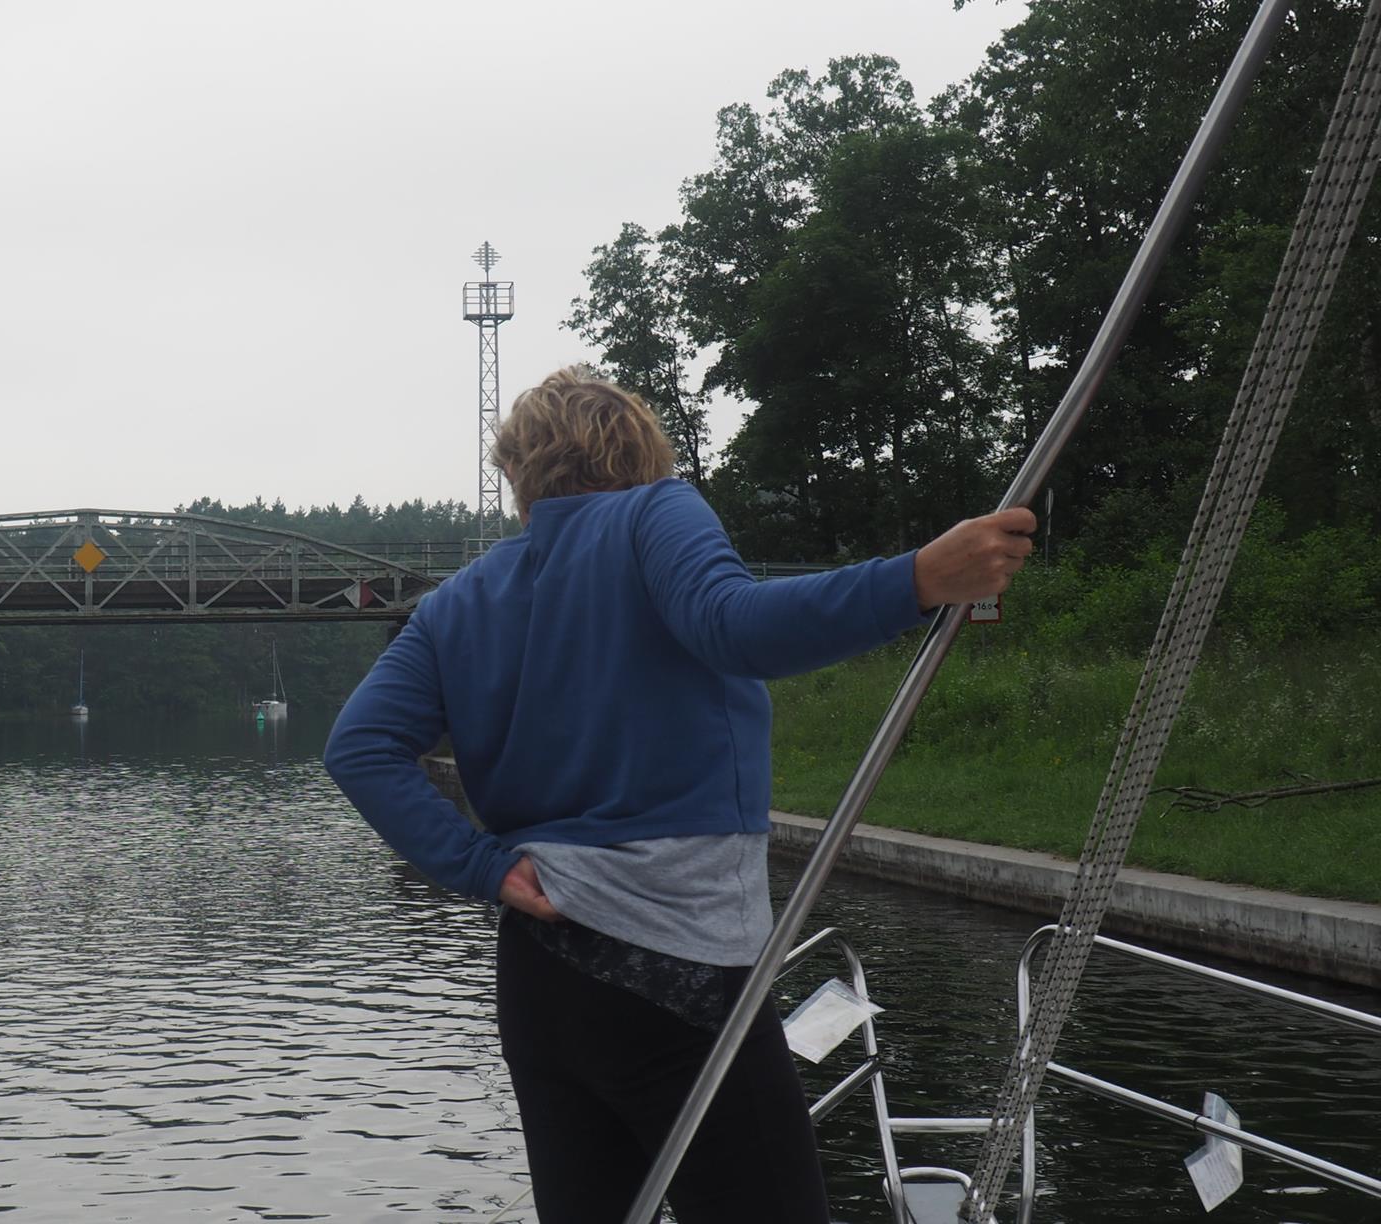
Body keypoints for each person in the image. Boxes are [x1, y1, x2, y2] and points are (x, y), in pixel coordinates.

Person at [322, 366, 1034, 1223]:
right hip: (676, 962)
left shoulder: (454, 604)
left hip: (540, 974)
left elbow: (359, 748)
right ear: (638, 450)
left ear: (517, 471)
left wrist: (482, 868)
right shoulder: (656, 512)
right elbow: (735, 626)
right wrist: (915, 579)